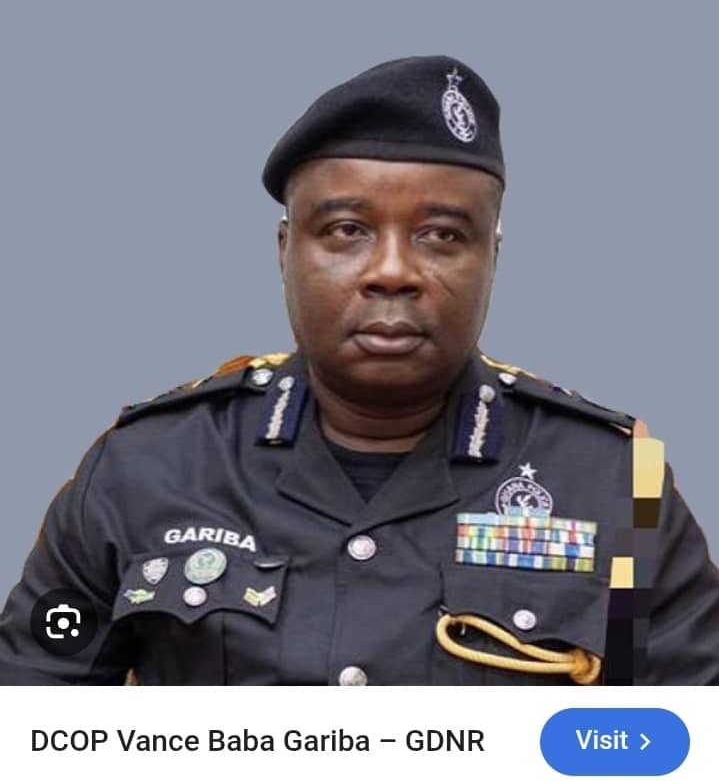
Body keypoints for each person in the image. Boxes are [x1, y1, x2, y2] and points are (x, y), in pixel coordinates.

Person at [1, 55, 718, 686]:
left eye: (442, 235)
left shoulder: (616, 486)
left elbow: (688, 743)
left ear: (491, 259)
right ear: (286, 251)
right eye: (347, 230)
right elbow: (30, 719)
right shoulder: (147, 467)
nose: (392, 271)